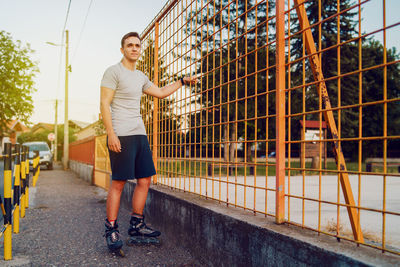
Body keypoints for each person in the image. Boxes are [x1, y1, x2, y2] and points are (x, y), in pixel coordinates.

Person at [100, 32, 198, 252]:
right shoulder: (113, 72)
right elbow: (104, 104)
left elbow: (161, 92)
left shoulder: (141, 77)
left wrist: (182, 81)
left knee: (145, 179)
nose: (134, 48)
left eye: (137, 45)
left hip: (139, 134)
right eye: (130, 45)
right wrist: (111, 133)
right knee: (119, 182)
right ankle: (111, 228)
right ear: (122, 49)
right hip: (121, 133)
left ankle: (137, 224)